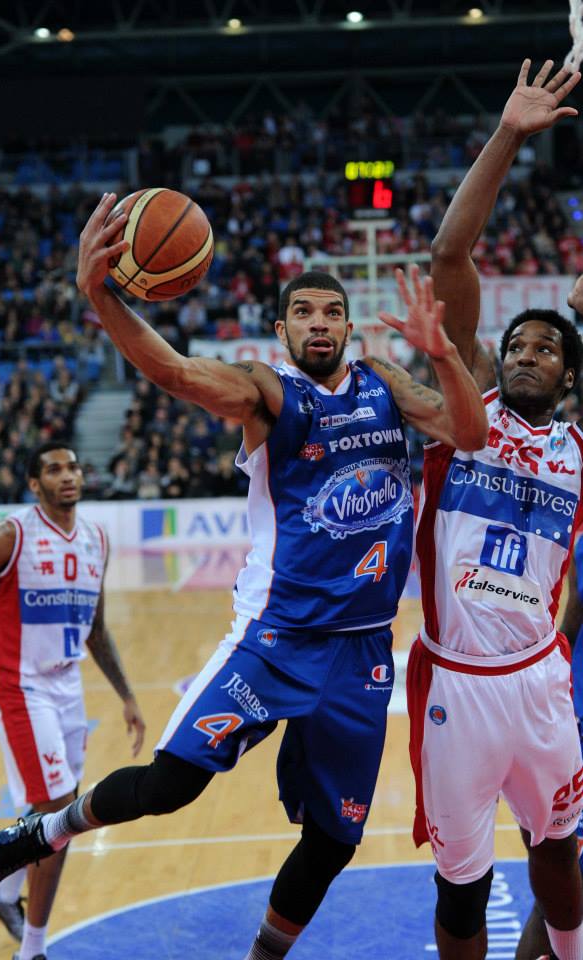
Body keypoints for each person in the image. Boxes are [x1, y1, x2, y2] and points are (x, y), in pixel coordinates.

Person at [0, 194, 488, 960]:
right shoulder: (267, 392)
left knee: (334, 839)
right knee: (170, 788)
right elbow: (174, 371)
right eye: (302, 312)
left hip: (364, 649)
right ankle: (42, 832)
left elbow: (467, 432)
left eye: (331, 313)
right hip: (276, 640)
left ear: (348, 328)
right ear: (280, 330)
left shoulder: (383, 383)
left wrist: (441, 355)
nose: (318, 323)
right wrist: (100, 296)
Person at [406, 59, 583, 960]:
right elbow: (449, 256)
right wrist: (508, 135)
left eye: (546, 348)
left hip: (542, 678)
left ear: (567, 373)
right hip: (456, 685)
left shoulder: (577, 451)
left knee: (557, 850)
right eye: (516, 343)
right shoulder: (465, 409)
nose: (525, 354)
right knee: (461, 886)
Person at [0, 440, 146, 960]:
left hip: (67, 686)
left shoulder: (97, 538)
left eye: (73, 466)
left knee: (49, 806)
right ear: (35, 484)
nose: (68, 475)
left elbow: (96, 629)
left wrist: (127, 695)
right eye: (54, 469)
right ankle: (32, 950)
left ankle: (2, 892)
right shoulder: (11, 535)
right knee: (60, 812)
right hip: (19, 685)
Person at [517, 526, 583, 959]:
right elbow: (573, 617)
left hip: (564, 711)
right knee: (562, 891)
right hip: (573, 719)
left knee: (560, 889)